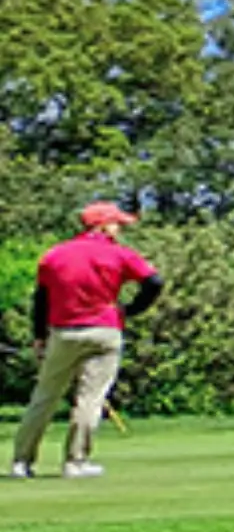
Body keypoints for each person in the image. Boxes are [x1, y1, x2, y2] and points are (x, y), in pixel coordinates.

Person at [15, 203, 162, 481]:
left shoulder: (55, 255)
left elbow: (41, 299)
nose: (119, 229)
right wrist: (130, 310)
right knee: (90, 399)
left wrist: (38, 335)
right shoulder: (119, 254)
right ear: (102, 226)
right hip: (105, 330)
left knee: (44, 397)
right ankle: (75, 463)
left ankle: (21, 462)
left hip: (63, 331)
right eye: (117, 224)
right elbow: (154, 282)